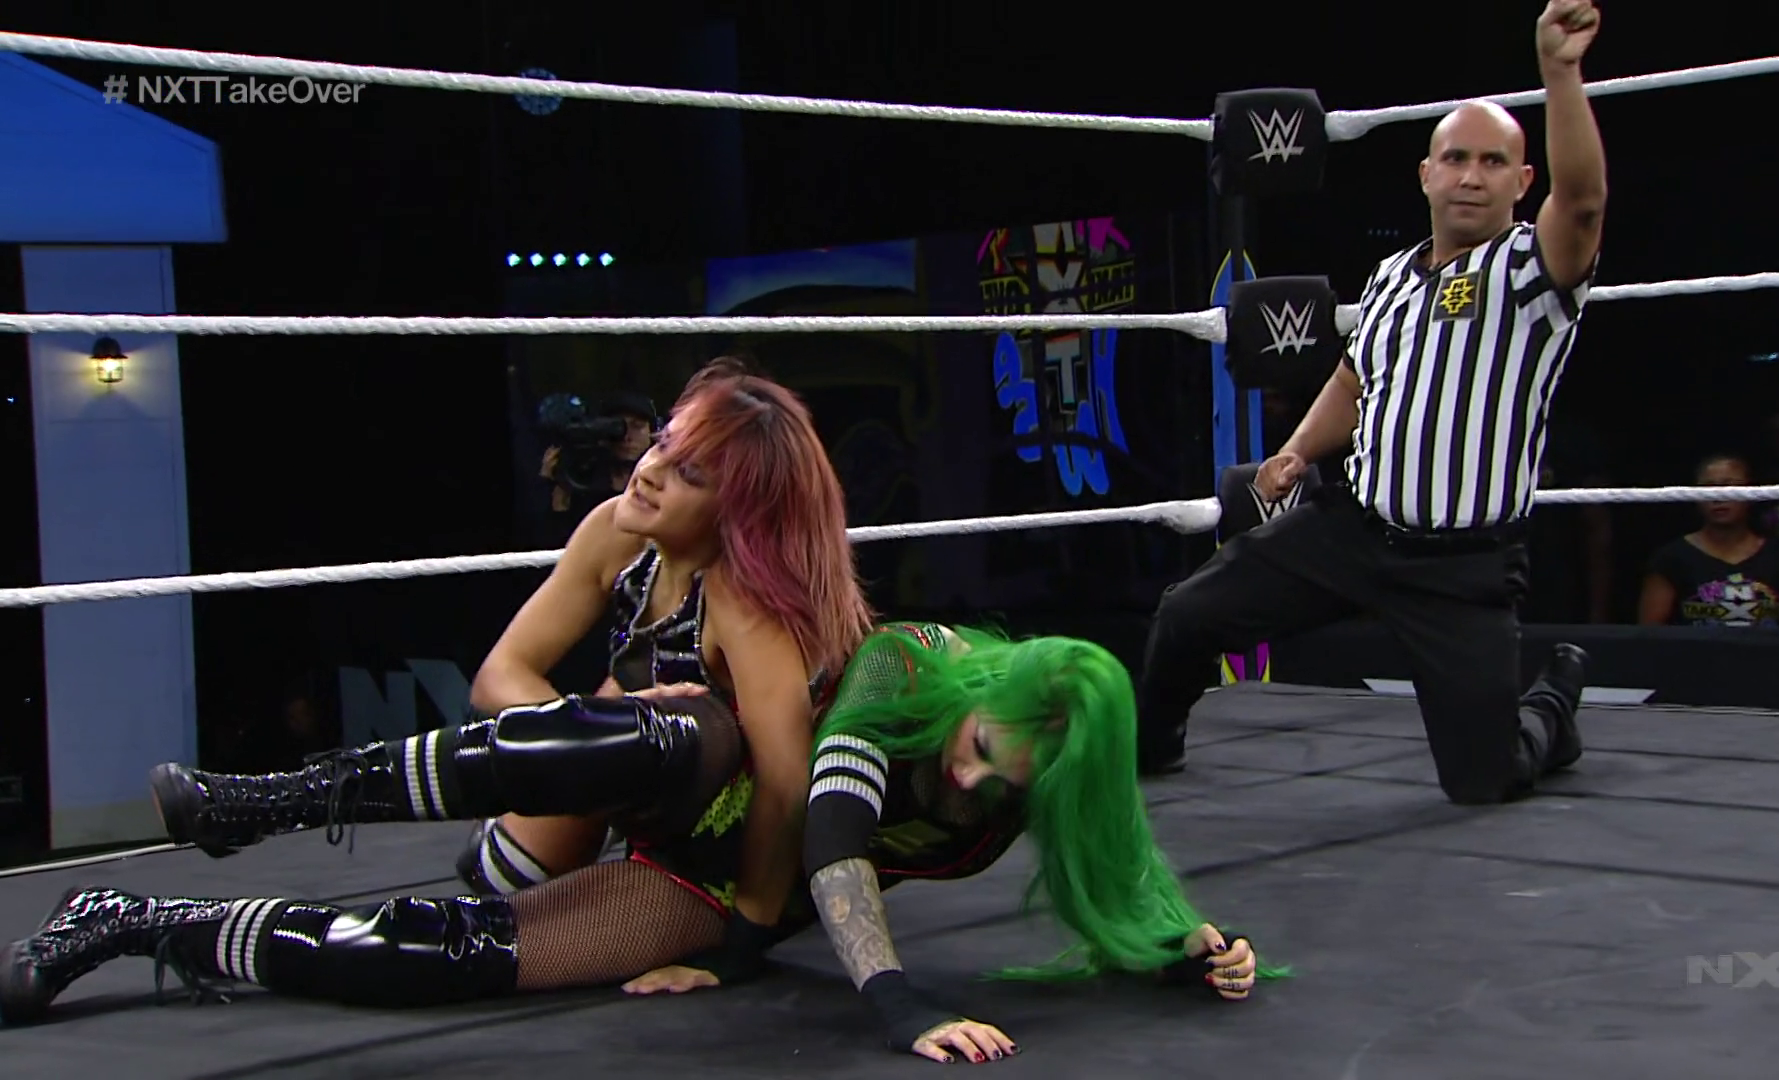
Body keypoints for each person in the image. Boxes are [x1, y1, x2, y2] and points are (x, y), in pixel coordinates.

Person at [1, 625, 1272, 1064]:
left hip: (716, 891)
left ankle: (134, 923)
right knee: (644, 742)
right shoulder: (910, 665)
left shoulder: (1041, 782)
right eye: (980, 747)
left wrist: (1187, 947)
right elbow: (834, 830)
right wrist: (897, 1005)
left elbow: (1117, 873)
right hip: (703, 776)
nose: (971, 778)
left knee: (455, 965)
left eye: (1007, 782)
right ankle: (259, 801)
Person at [145, 357, 873, 971]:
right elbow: (501, 676)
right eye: (662, 443)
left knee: (462, 947)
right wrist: (594, 730)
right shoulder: (617, 534)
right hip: (625, 785)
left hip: (724, 849)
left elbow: (786, 787)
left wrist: (745, 941)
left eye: (688, 472)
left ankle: (181, 920)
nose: (649, 471)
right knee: (499, 872)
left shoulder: (748, 610)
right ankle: (262, 804)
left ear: (735, 511)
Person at [1134, 0, 1608, 804]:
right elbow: (1355, 379)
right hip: (1351, 529)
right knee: (1186, 614)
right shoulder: (1391, 275)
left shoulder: (1532, 272)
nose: (1471, 175)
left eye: (1493, 162)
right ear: (1426, 174)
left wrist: (1559, 72)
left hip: (1462, 564)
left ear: (1522, 182)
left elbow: (1585, 201)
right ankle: (1153, 747)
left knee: (1485, 780)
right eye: (1455, 158)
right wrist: (1295, 451)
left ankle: (1552, 707)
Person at [1637, 453, 1779, 628]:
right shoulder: (1671, 558)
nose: (1719, 497)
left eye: (1729, 487)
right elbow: (1649, 636)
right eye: (1708, 488)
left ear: (1751, 493)